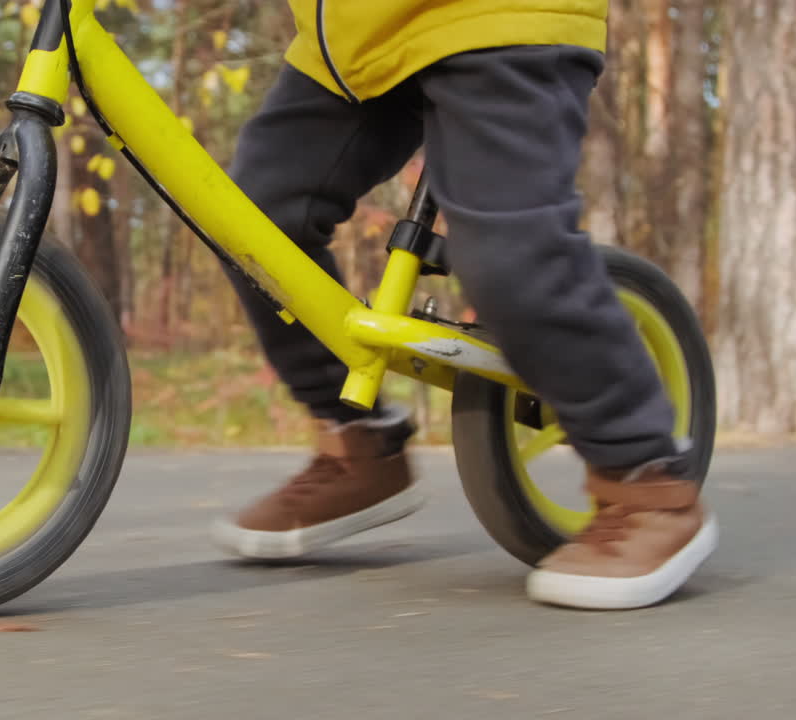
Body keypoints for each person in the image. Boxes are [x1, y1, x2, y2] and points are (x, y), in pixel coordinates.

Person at [209, 0, 717, 610]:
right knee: (253, 222)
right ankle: (356, 446)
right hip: (352, 39)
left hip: (496, 19)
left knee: (508, 259)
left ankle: (647, 480)